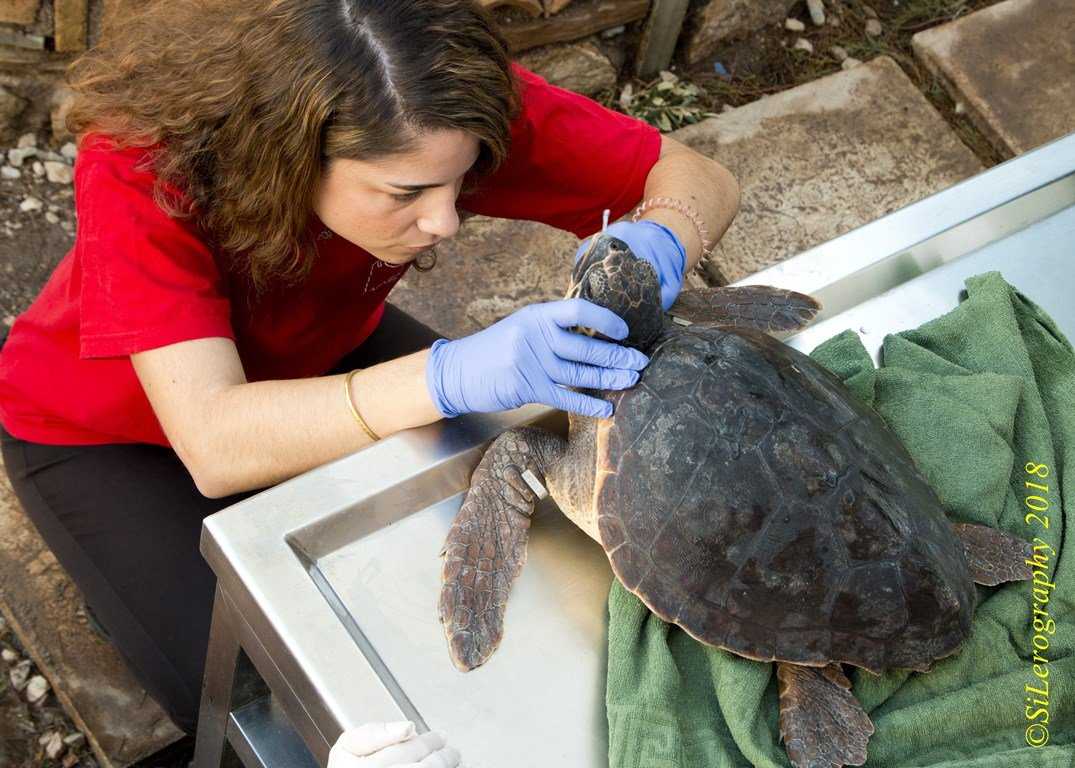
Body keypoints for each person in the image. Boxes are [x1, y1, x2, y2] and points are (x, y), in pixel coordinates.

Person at [0, 0, 739, 762]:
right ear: (290, 153)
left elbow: (699, 176)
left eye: (458, 183)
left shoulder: (433, 110)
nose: (446, 222)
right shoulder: (142, 164)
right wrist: (446, 376)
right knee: (264, 704)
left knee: (534, 553)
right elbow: (214, 442)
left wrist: (663, 237)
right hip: (111, 435)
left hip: (328, 355)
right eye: (406, 195)